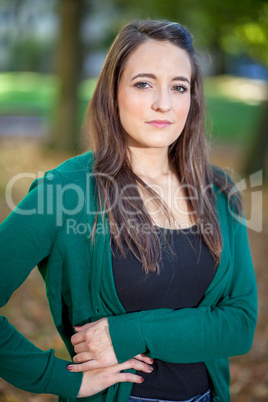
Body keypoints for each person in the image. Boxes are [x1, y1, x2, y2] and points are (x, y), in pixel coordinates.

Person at [0, 19, 257, 402]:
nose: (163, 103)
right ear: (113, 91)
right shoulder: (65, 191)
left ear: (193, 98)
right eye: (143, 83)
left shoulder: (219, 191)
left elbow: (240, 323)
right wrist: (60, 378)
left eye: (178, 87)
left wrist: (130, 333)